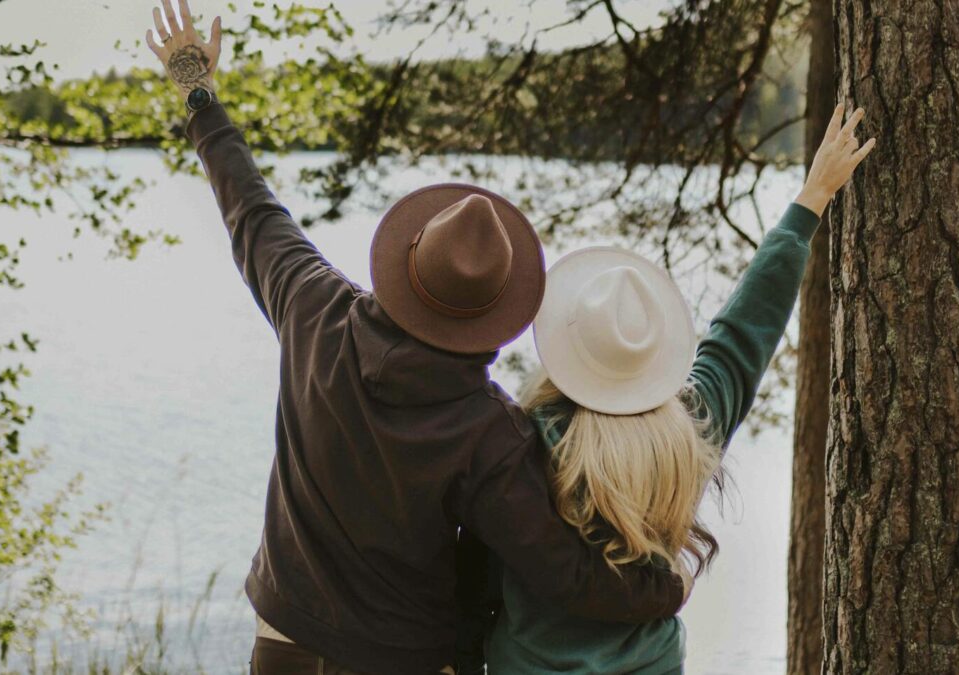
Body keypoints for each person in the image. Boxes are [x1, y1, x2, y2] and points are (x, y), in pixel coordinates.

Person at [141, 3, 686, 674]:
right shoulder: (490, 432)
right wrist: (666, 587)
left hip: (284, 646)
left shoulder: (314, 308)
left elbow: (249, 206)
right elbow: (562, 572)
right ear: (495, 313)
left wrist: (198, 90)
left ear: (407, 260)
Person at [479, 104, 875, 674]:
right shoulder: (688, 429)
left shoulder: (521, 440)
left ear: (563, 349)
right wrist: (810, 201)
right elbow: (744, 331)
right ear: (653, 353)